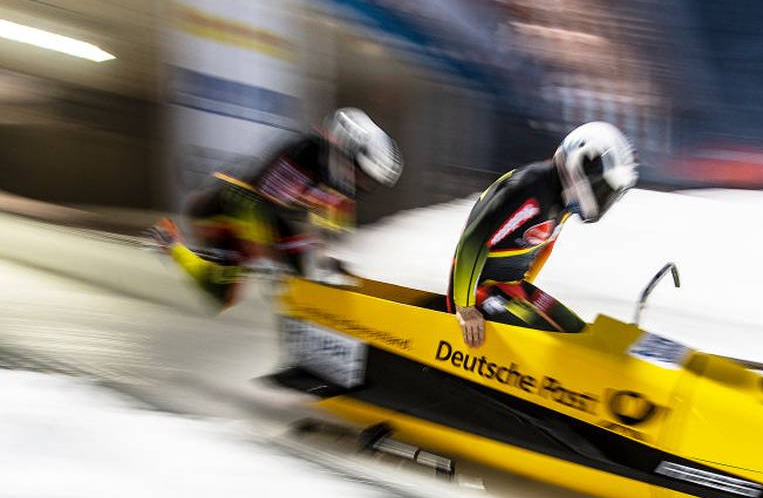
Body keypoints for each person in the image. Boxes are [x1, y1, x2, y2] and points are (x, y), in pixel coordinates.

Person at [149, 108, 402, 307]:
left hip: (263, 212)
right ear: (345, 149)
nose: (361, 183)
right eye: (361, 173)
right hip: (222, 210)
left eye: (368, 180)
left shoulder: (336, 177)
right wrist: (269, 255)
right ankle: (173, 246)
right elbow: (252, 204)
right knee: (224, 294)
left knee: (312, 267)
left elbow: (330, 224)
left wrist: (330, 259)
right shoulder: (300, 155)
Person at [449, 121, 638, 347]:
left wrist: (524, 288)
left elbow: (545, 245)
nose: (604, 198)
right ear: (582, 164)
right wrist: (464, 307)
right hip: (479, 292)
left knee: (577, 332)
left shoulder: (563, 201)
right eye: (604, 189)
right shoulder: (529, 187)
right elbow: (475, 238)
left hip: (512, 288)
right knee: (556, 346)